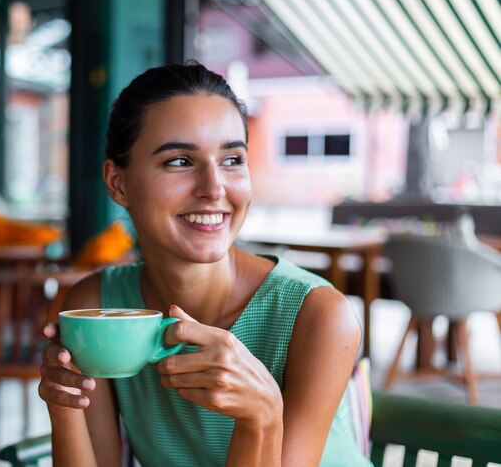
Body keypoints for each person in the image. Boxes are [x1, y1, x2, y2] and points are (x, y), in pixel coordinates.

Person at [39, 62, 369, 466]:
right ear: (118, 183)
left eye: (232, 159)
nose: (214, 189)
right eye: (179, 161)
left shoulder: (317, 316)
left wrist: (263, 417)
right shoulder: (98, 308)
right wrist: (64, 405)